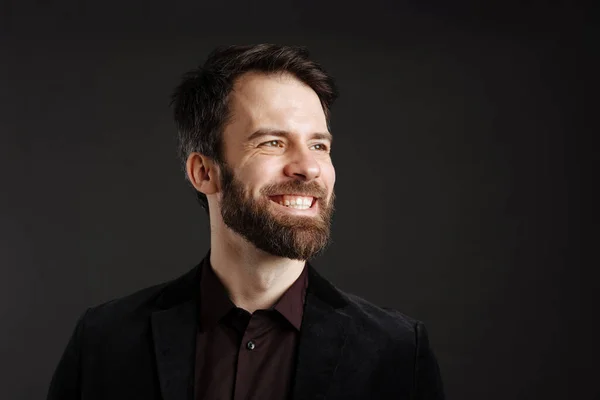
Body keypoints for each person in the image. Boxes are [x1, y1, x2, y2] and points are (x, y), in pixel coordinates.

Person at [47, 44, 445, 400]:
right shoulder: (105, 340)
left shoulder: (396, 351)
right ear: (204, 172)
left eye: (319, 145)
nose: (308, 167)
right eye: (272, 142)